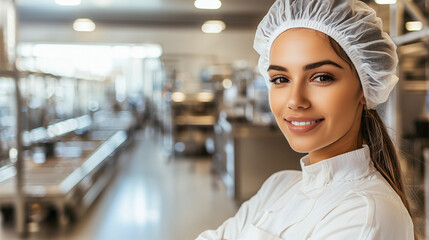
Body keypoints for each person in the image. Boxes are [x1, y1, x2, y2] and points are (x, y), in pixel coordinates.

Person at [196, 0, 416, 239]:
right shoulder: (278, 186)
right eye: (280, 79)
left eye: (321, 77)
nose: (295, 100)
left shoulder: (367, 214)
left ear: (363, 87)